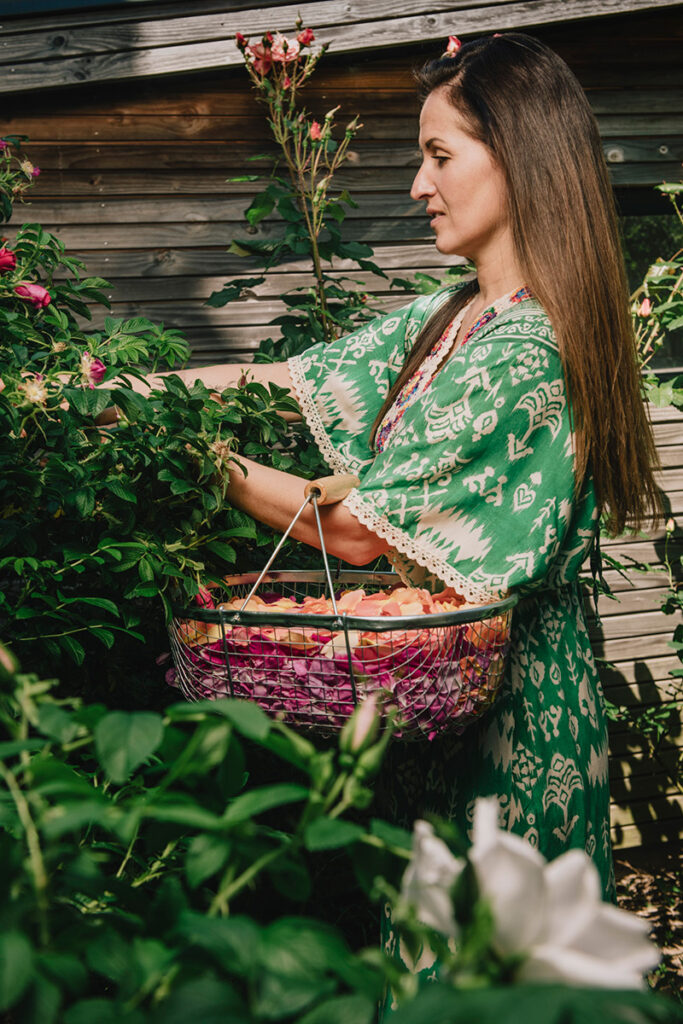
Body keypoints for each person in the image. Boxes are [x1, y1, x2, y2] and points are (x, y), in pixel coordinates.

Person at [112, 30, 660, 935]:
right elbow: (280, 383)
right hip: (439, 693)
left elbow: (362, 534)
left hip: (511, 714)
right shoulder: (457, 315)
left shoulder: (528, 349)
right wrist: (100, 393)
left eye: (439, 155)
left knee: (484, 971)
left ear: (519, 157)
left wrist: (187, 453)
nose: (417, 185)